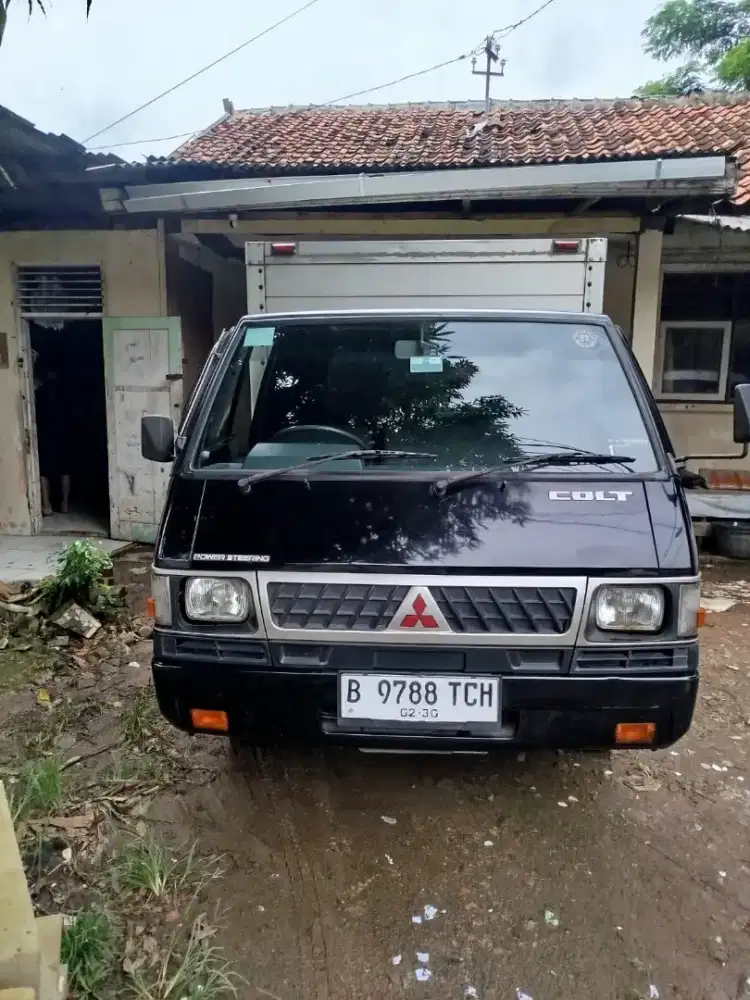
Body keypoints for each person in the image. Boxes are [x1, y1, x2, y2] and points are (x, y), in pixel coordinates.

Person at [32, 339, 71, 517]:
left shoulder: (40, 390)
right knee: (64, 470)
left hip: (45, 433)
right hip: (62, 433)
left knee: (45, 471)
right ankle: (64, 504)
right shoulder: (65, 390)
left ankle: (46, 505)